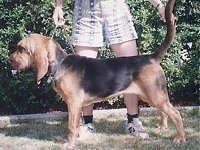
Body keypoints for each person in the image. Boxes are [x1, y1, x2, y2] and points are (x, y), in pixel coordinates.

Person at [52, 0, 166, 139]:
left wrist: (159, 5)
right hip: (86, 13)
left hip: (115, 9)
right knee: (82, 75)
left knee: (132, 71)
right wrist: (58, 6)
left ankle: (133, 121)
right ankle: (87, 123)